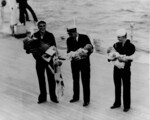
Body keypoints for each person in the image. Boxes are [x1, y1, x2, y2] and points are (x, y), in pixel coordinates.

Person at [30, 21, 58, 104]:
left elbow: (54, 47)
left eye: (44, 26)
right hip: (39, 61)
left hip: (49, 61)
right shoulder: (34, 35)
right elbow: (32, 49)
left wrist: (48, 57)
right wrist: (37, 57)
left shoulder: (50, 35)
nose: (42, 27)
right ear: (38, 27)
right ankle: (42, 97)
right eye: (40, 26)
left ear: (46, 26)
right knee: (41, 79)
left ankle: (53, 97)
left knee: (51, 79)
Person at [109, 28, 135, 112]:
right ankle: (117, 103)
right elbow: (110, 55)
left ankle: (127, 105)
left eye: (119, 37)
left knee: (126, 87)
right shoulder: (116, 45)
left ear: (124, 37)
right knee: (117, 86)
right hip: (116, 68)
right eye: (117, 37)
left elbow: (131, 58)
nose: (118, 39)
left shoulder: (131, 46)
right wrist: (111, 58)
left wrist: (123, 59)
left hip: (126, 69)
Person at [66, 26, 93, 107]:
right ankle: (76, 97)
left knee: (85, 81)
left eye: (71, 34)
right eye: (69, 34)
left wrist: (84, 55)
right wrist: (73, 55)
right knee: (75, 80)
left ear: (75, 32)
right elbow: (68, 50)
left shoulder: (85, 37)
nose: (70, 36)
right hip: (74, 63)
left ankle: (86, 100)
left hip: (84, 63)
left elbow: (91, 49)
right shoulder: (69, 39)